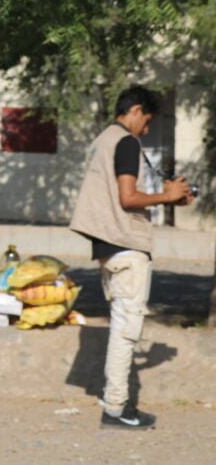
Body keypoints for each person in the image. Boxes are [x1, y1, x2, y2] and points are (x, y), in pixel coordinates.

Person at [69, 85, 194, 430]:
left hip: (109, 248)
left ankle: (114, 402)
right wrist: (167, 197)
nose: (147, 129)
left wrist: (168, 195)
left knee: (121, 327)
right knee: (127, 332)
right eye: (147, 120)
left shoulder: (103, 139)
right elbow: (127, 197)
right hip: (126, 248)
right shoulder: (126, 142)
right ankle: (116, 409)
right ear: (136, 111)